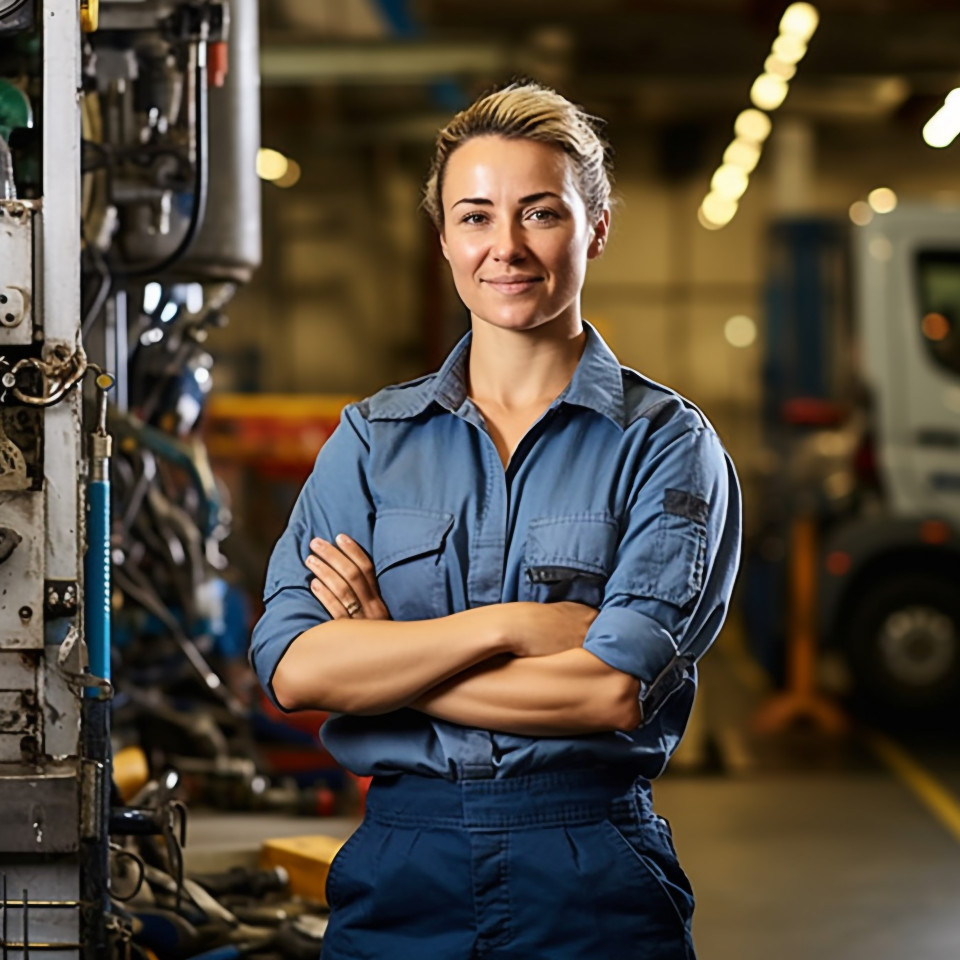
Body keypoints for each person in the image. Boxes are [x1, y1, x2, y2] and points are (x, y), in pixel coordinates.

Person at [250, 81, 741, 960]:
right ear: (443, 239)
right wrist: (510, 627)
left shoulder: (667, 446)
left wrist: (389, 655)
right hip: (400, 866)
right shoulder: (371, 442)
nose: (505, 247)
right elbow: (293, 669)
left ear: (595, 226)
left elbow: (608, 690)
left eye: (540, 213)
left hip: (587, 872)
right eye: (474, 217)